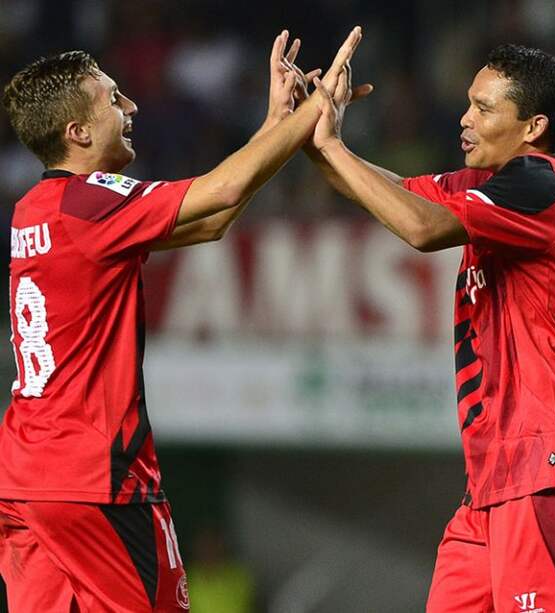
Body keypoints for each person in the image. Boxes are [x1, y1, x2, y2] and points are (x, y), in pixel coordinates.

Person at [0, 27, 364, 611]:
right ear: (78, 133)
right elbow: (222, 190)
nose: (131, 106)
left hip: (25, 479)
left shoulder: (35, 208)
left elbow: (212, 220)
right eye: (113, 99)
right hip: (97, 478)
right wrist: (318, 108)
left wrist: (276, 124)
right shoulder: (92, 200)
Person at [301, 44, 555, 612]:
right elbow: (394, 193)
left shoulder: (545, 184)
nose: (464, 118)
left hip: (551, 471)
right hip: (492, 484)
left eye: (483, 108)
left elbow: (421, 229)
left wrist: (330, 145)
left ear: (534, 126)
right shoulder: (492, 189)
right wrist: (311, 131)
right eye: (467, 105)